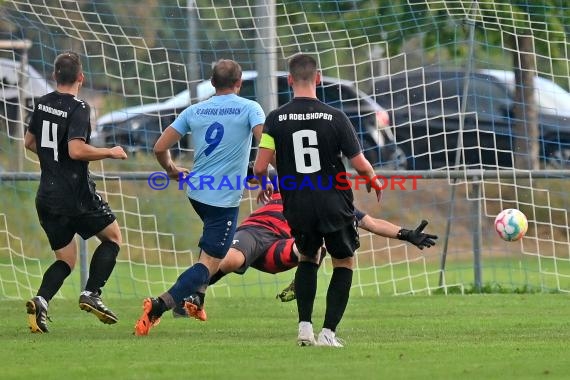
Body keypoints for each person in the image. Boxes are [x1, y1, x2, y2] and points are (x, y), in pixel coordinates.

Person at [253, 53, 383, 347]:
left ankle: (304, 328)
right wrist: (372, 180)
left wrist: (263, 186)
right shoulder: (335, 117)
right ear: (318, 78)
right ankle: (328, 334)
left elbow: (260, 167)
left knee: (308, 258)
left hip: (296, 205)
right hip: (332, 203)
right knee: (343, 262)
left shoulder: (275, 118)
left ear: (289, 80)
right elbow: (359, 163)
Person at [134, 59, 265, 336]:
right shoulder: (250, 108)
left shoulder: (195, 110)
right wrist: (264, 174)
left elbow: (160, 147)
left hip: (197, 192)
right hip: (223, 198)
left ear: (212, 83)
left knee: (211, 249)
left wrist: (170, 169)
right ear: (239, 83)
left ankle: (198, 299)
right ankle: (159, 306)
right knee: (208, 265)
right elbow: (264, 140)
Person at [174, 189, 437, 320]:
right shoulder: (283, 184)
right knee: (231, 260)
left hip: (282, 248)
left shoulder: (329, 203)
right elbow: (262, 167)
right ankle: (190, 295)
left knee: (315, 241)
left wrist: (406, 234)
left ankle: (302, 282)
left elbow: (372, 223)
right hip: (254, 232)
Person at [23, 51, 128, 333]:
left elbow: (29, 142)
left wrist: (52, 160)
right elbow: (76, 149)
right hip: (75, 195)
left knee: (66, 260)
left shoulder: (42, 103)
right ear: (80, 78)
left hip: (46, 196)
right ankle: (92, 293)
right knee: (114, 237)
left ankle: (41, 301)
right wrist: (109, 151)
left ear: (55, 75)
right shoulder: (79, 107)